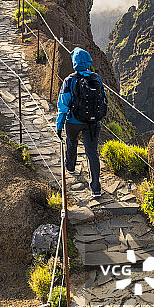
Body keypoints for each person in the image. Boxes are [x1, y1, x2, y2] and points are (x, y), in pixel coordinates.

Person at [56, 47, 107, 197]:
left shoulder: (69, 80)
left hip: (74, 120)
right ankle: (96, 189)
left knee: (71, 141)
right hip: (93, 122)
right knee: (92, 153)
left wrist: (59, 126)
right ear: (88, 62)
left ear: (74, 63)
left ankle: (70, 167)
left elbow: (62, 105)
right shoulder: (97, 78)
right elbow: (103, 98)